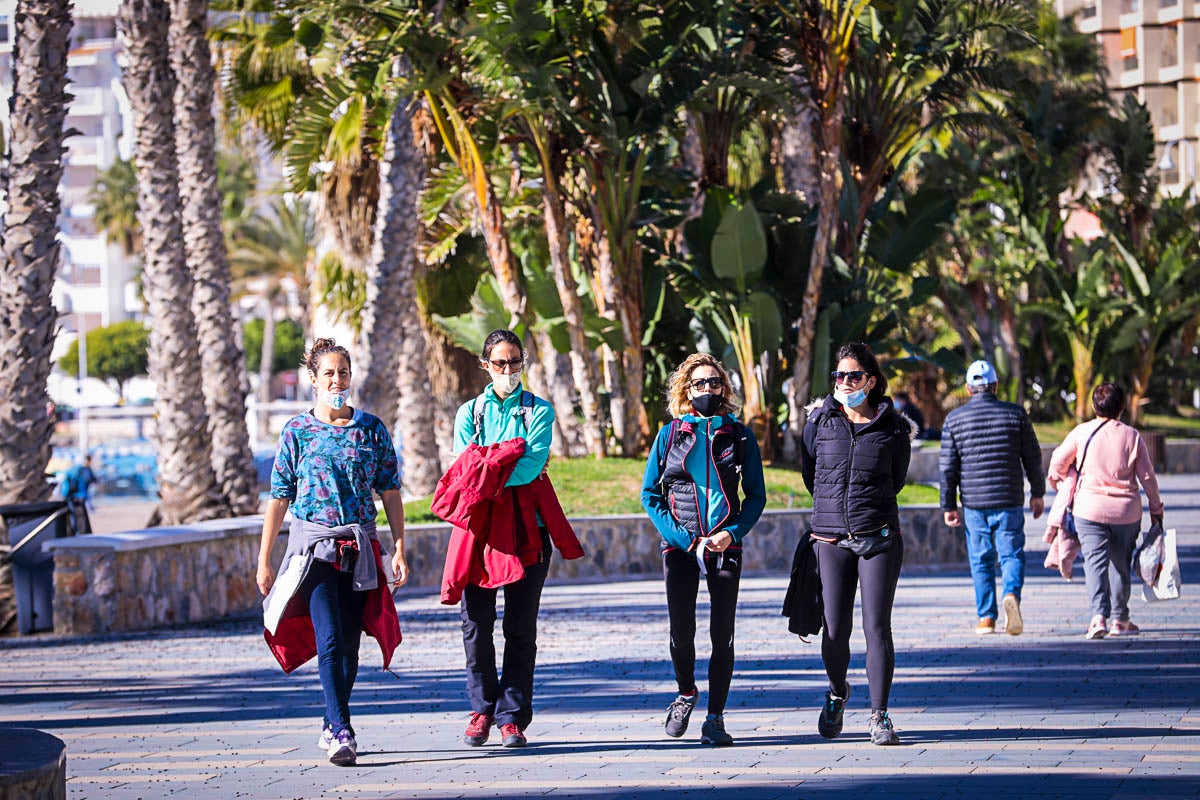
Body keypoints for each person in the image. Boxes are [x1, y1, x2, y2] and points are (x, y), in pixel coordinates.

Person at [256, 338, 408, 767]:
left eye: (343, 372)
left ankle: (331, 720)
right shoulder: (297, 432)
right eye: (329, 373)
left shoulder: (371, 429)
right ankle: (342, 730)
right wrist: (265, 557)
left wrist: (398, 547)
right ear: (313, 379)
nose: (337, 380)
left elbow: (390, 490)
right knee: (328, 641)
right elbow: (279, 496)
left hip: (359, 548)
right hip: (315, 551)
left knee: (350, 644)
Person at [448, 329, 583, 749]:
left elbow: (531, 465)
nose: (508, 370)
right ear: (485, 365)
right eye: (500, 363)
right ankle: (481, 709)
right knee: (476, 623)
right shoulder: (469, 413)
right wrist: (507, 454)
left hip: (528, 530)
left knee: (520, 626)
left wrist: (488, 459)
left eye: (515, 362)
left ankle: (512, 717)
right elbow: (461, 467)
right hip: (479, 531)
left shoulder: (538, 411)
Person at [641, 353, 766, 747]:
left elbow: (756, 497)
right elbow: (650, 495)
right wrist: (684, 538)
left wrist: (732, 532)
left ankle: (715, 718)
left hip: (725, 546)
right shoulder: (669, 435)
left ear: (724, 388)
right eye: (699, 384)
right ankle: (686, 692)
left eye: (714, 383)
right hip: (681, 547)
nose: (708, 389)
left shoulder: (741, 436)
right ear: (686, 390)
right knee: (682, 630)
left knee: (722, 634)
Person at [800, 342, 914, 747]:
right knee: (834, 630)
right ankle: (836, 692)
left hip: (878, 536)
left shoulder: (894, 427)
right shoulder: (818, 421)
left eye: (853, 376)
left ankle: (879, 715)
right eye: (839, 376)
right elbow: (810, 474)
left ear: (872, 380)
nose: (845, 383)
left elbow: (897, 479)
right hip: (829, 538)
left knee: (876, 628)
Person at [1047, 382, 1163, 639]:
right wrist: (1156, 508)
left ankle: (1098, 618)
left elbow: (1057, 463)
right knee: (1120, 564)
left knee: (1095, 563)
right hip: (1126, 512)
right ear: (1122, 407)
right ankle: (1120, 620)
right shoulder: (1132, 436)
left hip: (1089, 511)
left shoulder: (1081, 432)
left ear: (1093, 406)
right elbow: (1147, 477)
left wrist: (1061, 483)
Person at [939, 360, 1045, 636]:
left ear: (967, 388)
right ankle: (1011, 594)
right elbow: (1032, 458)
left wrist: (948, 505)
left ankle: (986, 617)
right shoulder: (1015, 414)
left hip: (974, 502)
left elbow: (948, 467)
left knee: (981, 558)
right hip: (1009, 498)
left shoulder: (954, 419)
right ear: (995, 386)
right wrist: (1037, 493)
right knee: (1011, 554)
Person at [61, 454, 96, 535]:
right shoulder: (81, 470)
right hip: (78, 497)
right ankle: (81, 533)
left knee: (78, 516)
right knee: (79, 516)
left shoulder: (80, 469)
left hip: (76, 496)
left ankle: (79, 532)